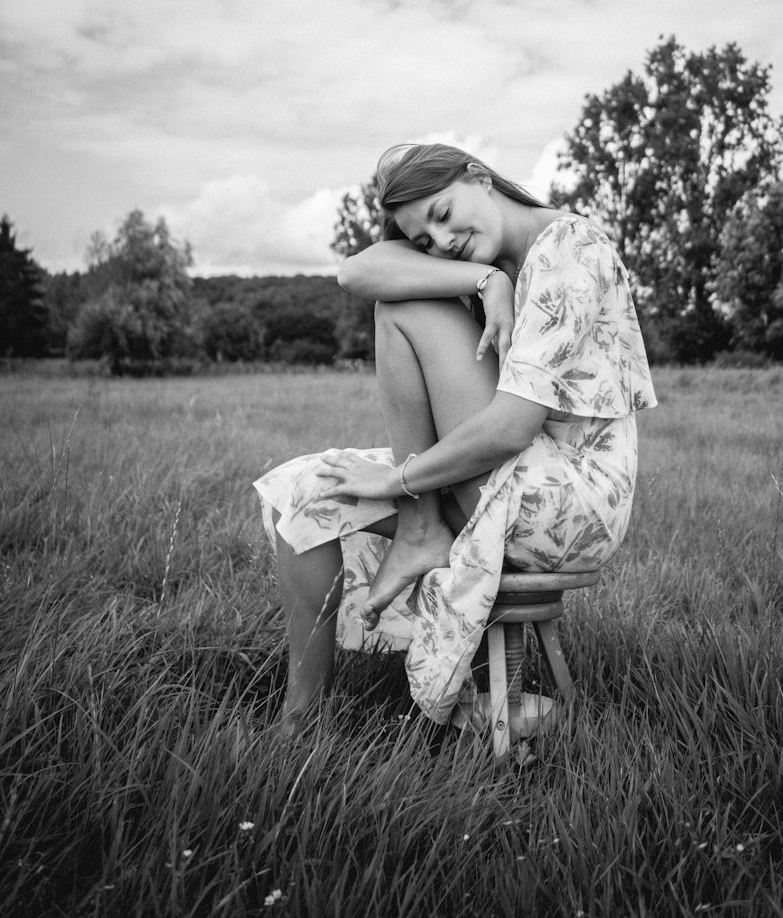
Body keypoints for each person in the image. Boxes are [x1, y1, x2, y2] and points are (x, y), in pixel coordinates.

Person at [253, 142, 657, 731]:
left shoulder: (569, 246)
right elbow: (356, 271)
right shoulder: (487, 264)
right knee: (309, 492)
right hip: (519, 471)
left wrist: (398, 480)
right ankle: (299, 721)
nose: (441, 242)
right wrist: (484, 278)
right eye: (423, 242)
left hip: (571, 501)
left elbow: (513, 425)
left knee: (400, 309)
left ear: (478, 175)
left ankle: (421, 528)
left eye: (442, 215)